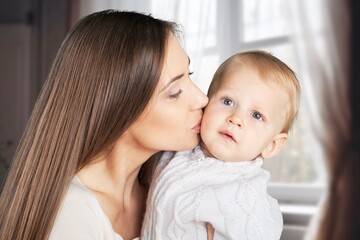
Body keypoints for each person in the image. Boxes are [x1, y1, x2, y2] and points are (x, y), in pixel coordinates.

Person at [0, 10, 209, 240]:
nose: (202, 98)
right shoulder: (73, 215)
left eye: (189, 75)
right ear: (121, 108)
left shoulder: (167, 184)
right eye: (175, 92)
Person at [141, 50, 301, 240]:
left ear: (272, 145)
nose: (236, 119)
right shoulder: (176, 149)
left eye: (256, 115)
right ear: (206, 102)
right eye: (228, 101)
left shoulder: (247, 199)